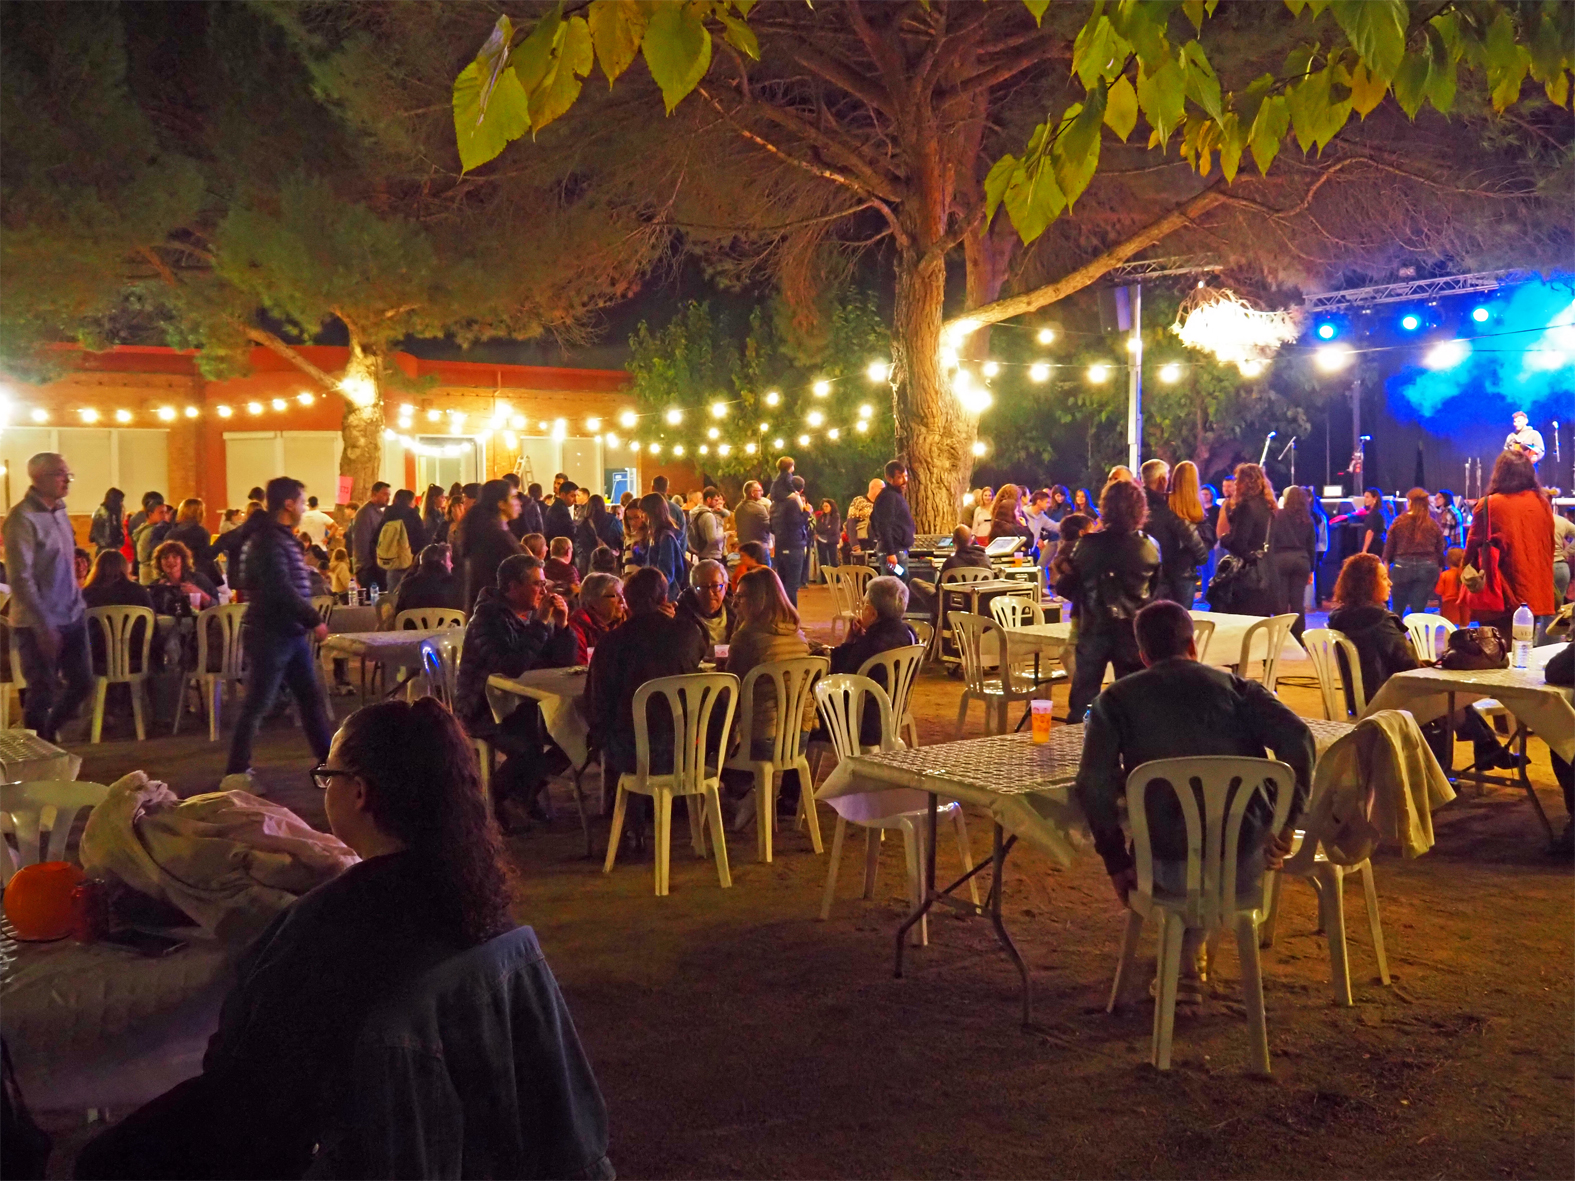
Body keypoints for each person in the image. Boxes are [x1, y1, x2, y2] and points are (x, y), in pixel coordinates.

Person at [75, 698, 613, 1181]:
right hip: (452, 1143)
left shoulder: (331, 922)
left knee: (102, 1161)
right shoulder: (477, 897)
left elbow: (245, 1079)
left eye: (326, 775)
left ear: (359, 792)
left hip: (330, 1146)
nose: (323, 787)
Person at [1074, 600, 1314, 1007]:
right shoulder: (1239, 690)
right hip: (1247, 862)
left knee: (1167, 821)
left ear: (1143, 655)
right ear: (1193, 647)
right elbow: (1300, 741)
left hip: (1162, 864)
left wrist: (1115, 860)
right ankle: (1189, 957)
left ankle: (1184, 960)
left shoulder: (1115, 701)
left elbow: (1092, 783)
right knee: (1216, 823)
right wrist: (1286, 823)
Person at [1329, 552, 1508, 767]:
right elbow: (1406, 664)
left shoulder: (1340, 617)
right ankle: (1468, 758)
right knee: (1450, 697)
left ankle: (1487, 748)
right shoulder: (1379, 620)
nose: (1390, 582)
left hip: (1361, 696)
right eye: (1384, 578)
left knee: (1449, 697)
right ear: (1368, 583)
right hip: (1388, 697)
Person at [223, 478, 334, 790]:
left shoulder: (276, 538)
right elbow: (279, 587)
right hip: (272, 632)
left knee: (309, 700)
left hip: (287, 631)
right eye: (301, 501)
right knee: (258, 702)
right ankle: (235, 772)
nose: (303, 507)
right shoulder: (270, 541)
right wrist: (313, 618)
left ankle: (328, 766)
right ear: (288, 504)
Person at [454, 554, 576, 825]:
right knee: (526, 747)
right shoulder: (488, 618)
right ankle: (490, 800)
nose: (544, 591)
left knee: (577, 735)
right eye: (537, 584)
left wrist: (563, 625)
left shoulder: (531, 615)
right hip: (483, 707)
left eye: (545, 584)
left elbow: (561, 663)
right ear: (512, 587)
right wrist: (540, 624)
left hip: (523, 704)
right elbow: (512, 666)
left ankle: (523, 793)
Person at [586, 567, 707, 784]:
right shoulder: (689, 633)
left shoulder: (612, 642)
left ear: (628, 601)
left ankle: (623, 799)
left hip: (631, 751)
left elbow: (597, 703)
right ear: (664, 598)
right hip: (687, 745)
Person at [3, 455, 93, 743]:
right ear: (38, 477)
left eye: (68, 474)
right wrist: (43, 625)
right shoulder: (22, 519)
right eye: (59, 474)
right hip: (37, 622)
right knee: (41, 691)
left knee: (82, 683)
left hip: (71, 614)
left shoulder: (60, 511)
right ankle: (37, 754)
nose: (67, 480)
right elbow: (21, 578)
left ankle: (46, 736)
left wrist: (78, 603)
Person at [1057, 479, 1160, 723]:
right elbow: (1155, 589)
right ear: (1140, 509)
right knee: (1134, 698)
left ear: (1106, 508)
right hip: (1134, 630)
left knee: (1084, 698)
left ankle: (1079, 749)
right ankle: (1134, 750)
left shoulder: (1087, 545)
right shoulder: (1150, 546)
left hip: (1094, 626)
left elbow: (1068, 586)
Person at [725, 566, 814, 769]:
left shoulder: (746, 637)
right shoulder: (798, 634)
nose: (734, 603)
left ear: (759, 600)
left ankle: (735, 788)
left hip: (761, 740)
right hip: (800, 736)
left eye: (741, 597)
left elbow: (730, 691)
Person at [1464, 449, 1555, 638]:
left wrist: (1465, 573)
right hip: (1535, 590)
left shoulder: (1490, 504)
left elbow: (1472, 548)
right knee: (1524, 650)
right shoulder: (1541, 503)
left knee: (1498, 652)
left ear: (1499, 473)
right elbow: (1548, 545)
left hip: (1501, 593)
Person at [827, 575, 916, 746]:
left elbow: (840, 677)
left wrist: (849, 643)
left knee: (803, 717)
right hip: (893, 713)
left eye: (863, 605)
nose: (860, 609)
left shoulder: (870, 644)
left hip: (861, 723)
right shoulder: (909, 633)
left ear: (873, 613)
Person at [1212, 462, 1277, 617]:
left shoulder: (1246, 507)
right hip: (1266, 569)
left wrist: (1224, 539)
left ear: (1244, 483)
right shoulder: (1268, 505)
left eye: (1237, 480)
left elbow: (1239, 543)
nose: (1235, 484)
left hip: (1247, 575)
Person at [1139, 460, 1207, 608]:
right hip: (1171, 572)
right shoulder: (1165, 509)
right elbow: (1191, 537)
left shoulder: (1139, 503)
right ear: (1162, 480)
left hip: (1144, 571)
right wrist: (1201, 557)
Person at [457, 479, 523, 610]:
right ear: (501, 504)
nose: (519, 503)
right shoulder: (497, 536)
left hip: (483, 609)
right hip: (498, 613)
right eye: (514, 497)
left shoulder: (482, 530)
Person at [1383, 487, 1446, 616]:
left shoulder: (1399, 521)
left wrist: (1386, 565)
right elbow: (1440, 548)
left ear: (1410, 502)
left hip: (1401, 566)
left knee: (1397, 609)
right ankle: (1417, 635)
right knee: (1419, 610)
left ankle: (1396, 634)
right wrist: (1439, 567)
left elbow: (1389, 546)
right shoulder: (1433, 524)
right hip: (1428, 567)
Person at [1269, 486, 1318, 637]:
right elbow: (1312, 546)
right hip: (1301, 560)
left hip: (1280, 559)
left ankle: (1281, 635)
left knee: (1281, 601)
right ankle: (1298, 636)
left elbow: (1271, 540)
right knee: (1298, 602)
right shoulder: (1308, 519)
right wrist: (1311, 569)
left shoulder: (1277, 515)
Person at [1159, 462, 1210, 608]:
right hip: (1186, 568)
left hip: (1166, 564)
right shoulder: (1197, 506)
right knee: (1183, 615)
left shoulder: (1166, 502)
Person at [632, 492, 685, 601]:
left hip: (664, 596)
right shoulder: (653, 535)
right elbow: (646, 562)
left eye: (643, 512)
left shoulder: (666, 537)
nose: (642, 516)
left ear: (653, 512)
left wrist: (656, 591)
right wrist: (637, 549)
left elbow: (666, 573)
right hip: (655, 593)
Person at [565, 573, 626, 664]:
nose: (622, 601)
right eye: (615, 596)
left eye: (622, 595)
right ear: (593, 601)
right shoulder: (577, 626)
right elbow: (581, 666)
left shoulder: (626, 621)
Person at [390, 543, 465, 617]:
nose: (451, 564)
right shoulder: (456, 586)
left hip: (414, 629)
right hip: (448, 628)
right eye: (449, 560)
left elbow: (398, 617)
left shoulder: (406, 586)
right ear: (442, 562)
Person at [770, 476, 812, 607]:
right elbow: (796, 523)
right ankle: (792, 618)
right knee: (792, 585)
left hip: (780, 545)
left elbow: (771, 526)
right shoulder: (793, 502)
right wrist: (807, 513)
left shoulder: (775, 503)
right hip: (794, 547)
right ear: (801, 489)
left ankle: (782, 615)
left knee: (782, 584)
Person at [676, 559, 732, 656]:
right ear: (693, 589)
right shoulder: (680, 614)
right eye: (702, 587)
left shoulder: (736, 612)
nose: (710, 593)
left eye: (715, 586)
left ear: (725, 587)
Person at [870, 460, 916, 579]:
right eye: (900, 477)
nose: (905, 480)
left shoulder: (892, 496)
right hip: (894, 553)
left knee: (899, 581)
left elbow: (874, 520)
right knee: (895, 585)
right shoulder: (889, 497)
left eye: (906, 476)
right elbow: (884, 525)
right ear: (889, 478)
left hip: (895, 552)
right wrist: (891, 552)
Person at [147, 539, 216, 616]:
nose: (170, 560)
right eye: (165, 557)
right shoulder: (155, 586)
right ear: (159, 563)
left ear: (182, 560)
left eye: (175, 557)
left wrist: (199, 593)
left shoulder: (199, 579)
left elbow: (217, 607)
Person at [377, 489, 426, 593]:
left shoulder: (388, 514)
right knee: (409, 593)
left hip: (391, 561)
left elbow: (377, 536)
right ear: (409, 501)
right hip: (409, 561)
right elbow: (422, 538)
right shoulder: (412, 514)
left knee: (393, 595)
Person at [165, 497, 219, 587]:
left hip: (176, 574)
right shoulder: (201, 532)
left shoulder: (171, 533)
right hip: (197, 575)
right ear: (200, 513)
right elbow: (205, 557)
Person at [82, 549, 154, 610]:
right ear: (124, 567)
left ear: (98, 568)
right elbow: (152, 621)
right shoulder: (138, 590)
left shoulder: (87, 593)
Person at [351, 482, 391, 591]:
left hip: (378, 566)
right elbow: (361, 542)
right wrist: (366, 565)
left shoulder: (380, 513)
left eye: (389, 495)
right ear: (374, 494)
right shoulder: (364, 514)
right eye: (385, 494)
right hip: (368, 568)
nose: (388, 498)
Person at [133, 500, 172, 585]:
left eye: (166, 512)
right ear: (150, 514)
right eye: (161, 513)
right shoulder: (151, 532)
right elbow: (144, 556)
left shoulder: (149, 529)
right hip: (151, 577)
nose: (165, 515)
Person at [687, 487, 726, 565]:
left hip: (700, 551)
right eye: (716, 500)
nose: (717, 503)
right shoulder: (708, 516)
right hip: (712, 554)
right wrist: (724, 534)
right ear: (708, 499)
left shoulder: (694, 512)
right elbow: (712, 539)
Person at [1434, 547, 1469, 627]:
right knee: (1463, 625)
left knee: (1449, 626)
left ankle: (1449, 639)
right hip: (1464, 602)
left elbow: (1439, 590)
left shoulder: (1445, 575)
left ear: (1448, 560)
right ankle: (1463, 639)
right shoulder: (1466, 574)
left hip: (1448, 603)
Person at [733, 481, 772, 550]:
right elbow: (770, 527)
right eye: (759, 490)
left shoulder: (738, 508)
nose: (762, 493)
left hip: (743, 548)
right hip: (759, 548)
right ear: (753, 493)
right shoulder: (759, 508)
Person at [89, 487, 127, 555]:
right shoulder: (102, 514)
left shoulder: (112, 513)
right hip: (105, 552)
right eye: (120, 501)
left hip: (110, 551)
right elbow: (103, 539)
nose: (121, 504)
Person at [844, 488, 875, 564]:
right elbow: (850, 524)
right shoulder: (859, 501)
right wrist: (855, 546)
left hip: (879, 545)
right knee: (864, 570)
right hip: (863, 543)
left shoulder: (884, 503)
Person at [1356, 487, 1388, 555]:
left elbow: (1370, 532)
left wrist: (1364, 550)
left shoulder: (1375, 514)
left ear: (1375, 498)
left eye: (1367, 497)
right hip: (1377, 546)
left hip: (1374, 547)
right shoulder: (1377, 512)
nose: (1365, 499)